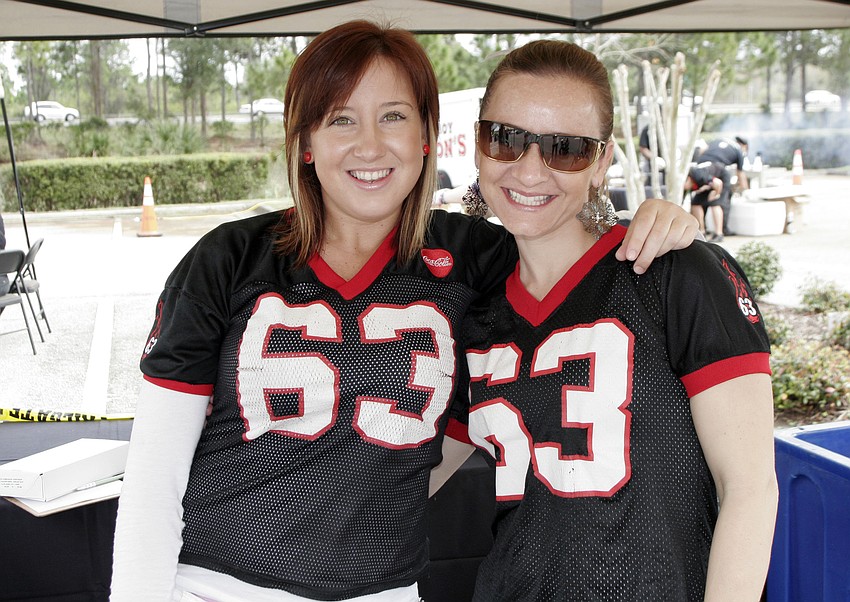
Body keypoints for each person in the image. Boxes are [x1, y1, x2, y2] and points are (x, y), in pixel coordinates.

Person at [110, 21, 699, 602]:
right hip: (214, 583)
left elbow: (571, 272)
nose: (370, 145)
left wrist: (650, 219)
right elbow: (154, 468)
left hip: (383, 589)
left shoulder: (479, 258)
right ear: (306, 141)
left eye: (393, 115)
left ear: (427, 136)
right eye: (341, 118)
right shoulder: (230, 258)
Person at [437, 40, 777, 601]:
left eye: (564, 149)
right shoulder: (472, 313)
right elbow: (401, 471)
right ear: (477, 145)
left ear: (601, 162)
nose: (528, 169)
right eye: (505, 138)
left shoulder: (673, 274)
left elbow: (750, 489)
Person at [693, 136, 750, 236]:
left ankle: (702, 231)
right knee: (718, 202)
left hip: (702, 167)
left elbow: (702, 150)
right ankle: (720, 232)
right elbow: (740, 174)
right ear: (744, 146)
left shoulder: (717, 140)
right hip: (718, 169)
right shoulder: (738, 150)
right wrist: (745, 190)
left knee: (698, 201)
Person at [686, 163, 727, 242]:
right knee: (695, 203)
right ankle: (701, 231)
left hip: (720, 178)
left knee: (714, 203)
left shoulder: (698, 175)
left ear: (688, 179)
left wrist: (716, 194)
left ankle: (719, 234)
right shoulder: (689, 184)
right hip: (708, 184)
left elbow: (718, 183)